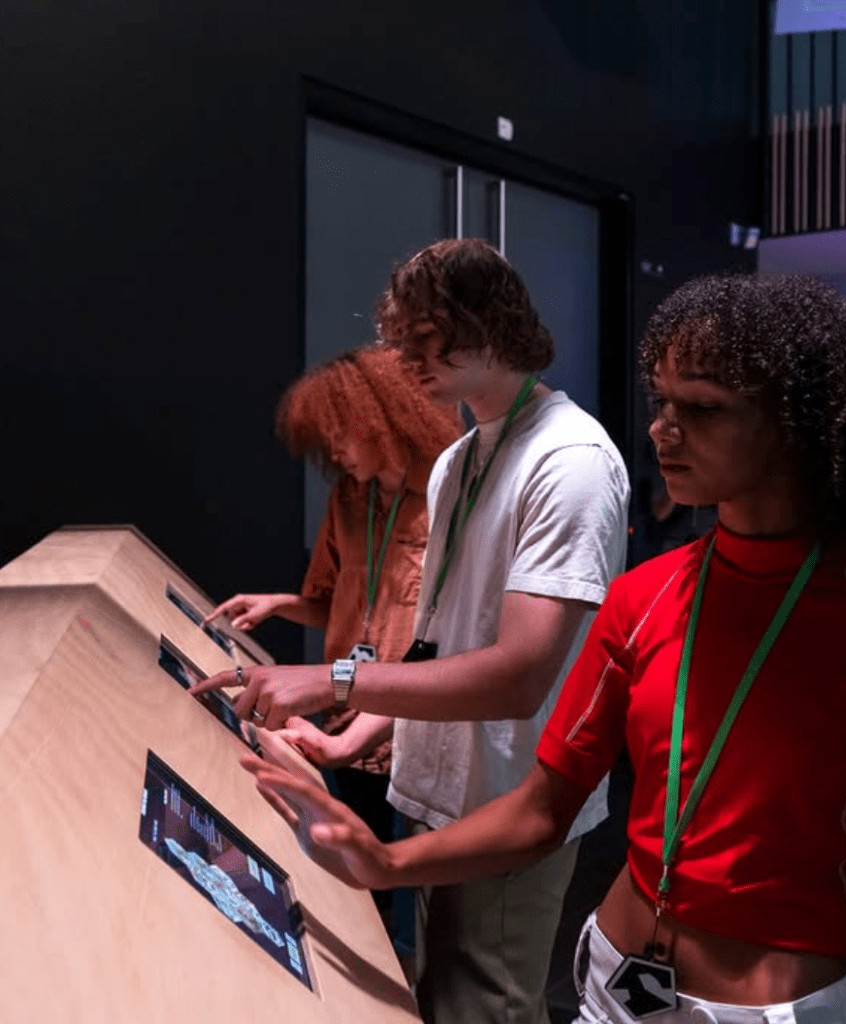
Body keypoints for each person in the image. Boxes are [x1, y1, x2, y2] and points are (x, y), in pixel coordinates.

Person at [238, 274, 846, 1024]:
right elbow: (541, 807)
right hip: (613, 979)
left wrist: (342, 688)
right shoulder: (645, 596)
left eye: (700, 409)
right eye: (660, 403)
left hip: (775, 1006)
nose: (662, 431)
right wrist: (384, 863)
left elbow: (516, 680)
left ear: (798, 419)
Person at [193, 238, 630, 1024]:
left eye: (425, 338)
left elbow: (519, 676)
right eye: (400, 341)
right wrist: (352, 739)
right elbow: (438, 649)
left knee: (485, 1008)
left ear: (491, 326)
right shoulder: (459, 461)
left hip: (505, 802)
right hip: (437, 795)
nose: (406, 360)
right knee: (444, 999)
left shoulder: (570, 460)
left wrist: (332, 680)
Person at [205, 344, 461, 845]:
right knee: (353, 856)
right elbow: (333, 605)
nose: (334, 451)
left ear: (380, 419)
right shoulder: (348, 498)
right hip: (342, 718)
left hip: (417, 732)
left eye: (339, 434)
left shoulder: (447, 499)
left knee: (417, 865)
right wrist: (279, 604)